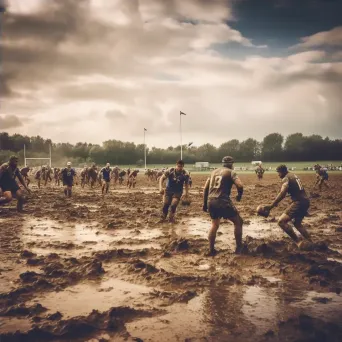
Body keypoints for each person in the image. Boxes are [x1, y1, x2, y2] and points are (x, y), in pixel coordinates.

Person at [262, 164, 312, 247]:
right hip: (305, 201)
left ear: (283, 172)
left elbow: (282, 193)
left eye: (278, 173)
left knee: (281, 222)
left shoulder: (286, 178)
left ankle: (298, 242)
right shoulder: (293, 175)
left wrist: (271, 206)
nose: (278, 175)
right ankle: (310, 242)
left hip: (298, 202)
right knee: (297, 223)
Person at [203, 156, 244, 255]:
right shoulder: (231, 172)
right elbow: (240, 185)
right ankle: (239, 248)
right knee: (238, 222)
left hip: (211, 201)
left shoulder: (213, 172)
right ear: (231, 164)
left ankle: (211, 250)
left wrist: (204, 204)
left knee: (214, 225)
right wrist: (239, 195)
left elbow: (205, 189)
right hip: (223, 201)